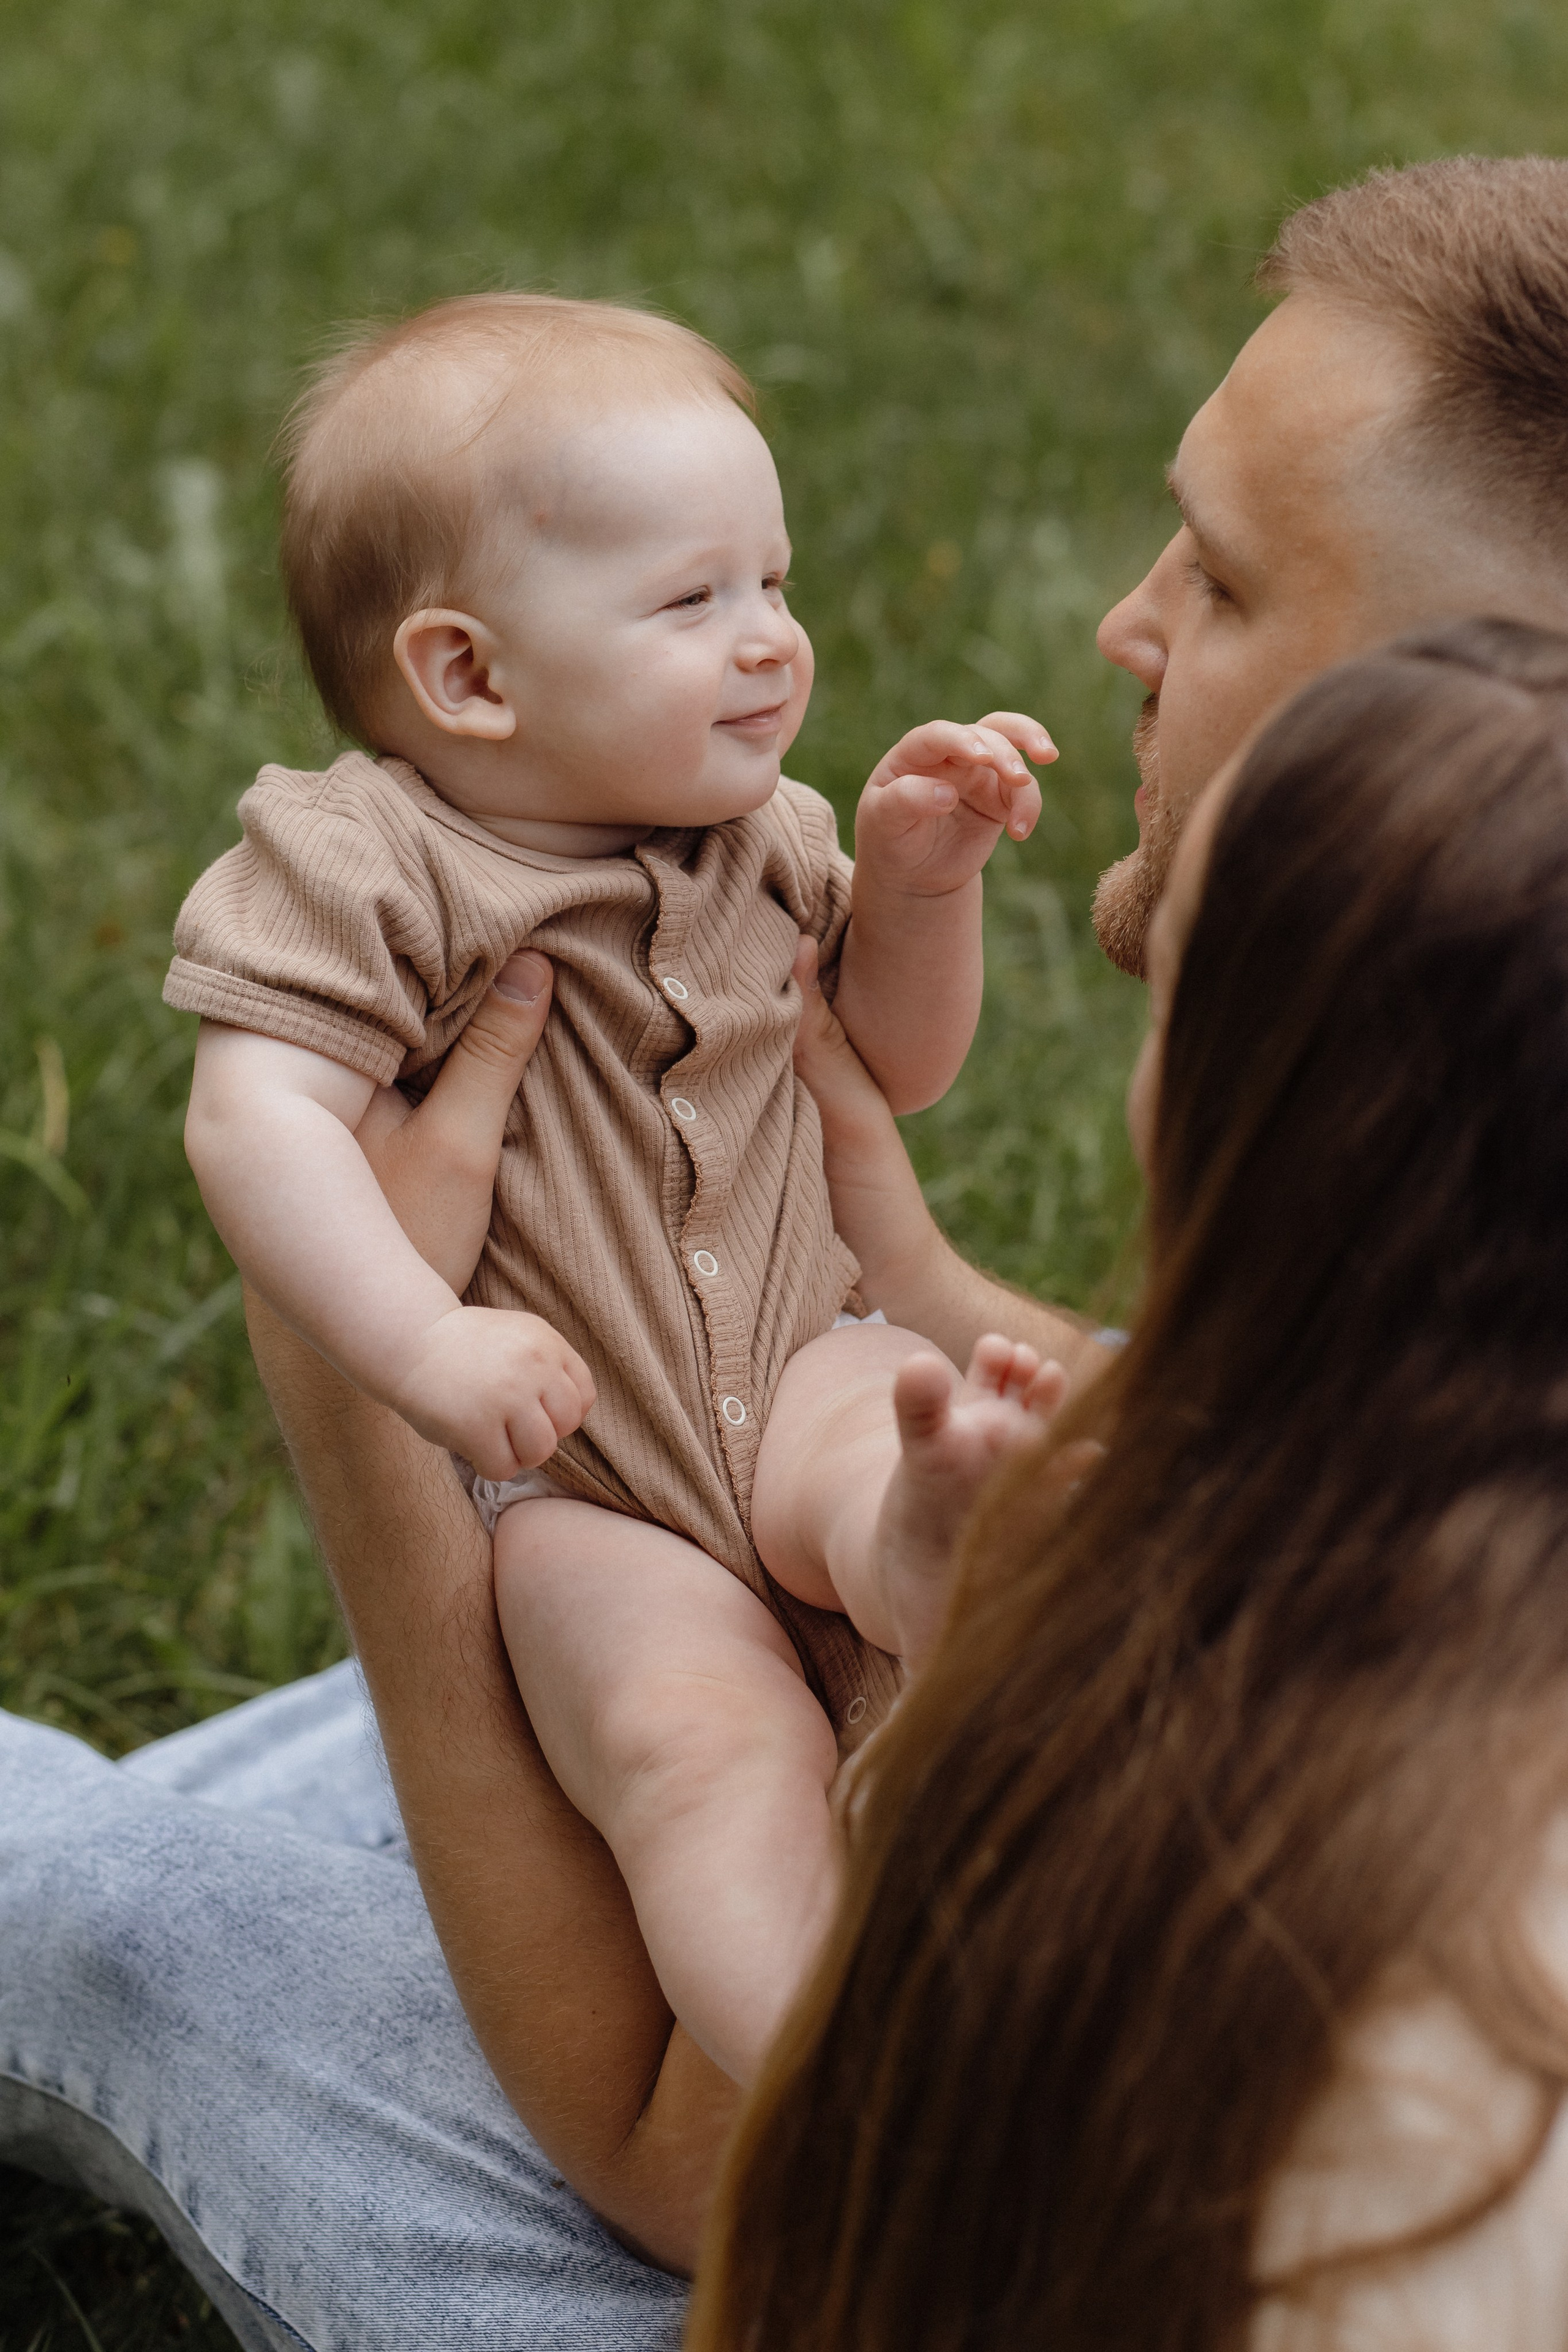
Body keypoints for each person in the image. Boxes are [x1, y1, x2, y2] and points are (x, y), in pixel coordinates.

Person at [6, 153, 1568, 2344]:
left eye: (1217, 578)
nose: (1125, 622)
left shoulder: (1370, 1716)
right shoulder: (1461, 1289)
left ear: (1483, 706)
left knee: (128, 1921)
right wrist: (920, 1293)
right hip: (756, 1521)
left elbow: (702, 2164)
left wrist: (374, 1393)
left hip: (833, 2207)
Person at [169, 287, 1062, 2084]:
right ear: (469, 677)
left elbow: (888, 1064)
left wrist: (918, 891)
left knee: (874, 1444)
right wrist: (423, 1346)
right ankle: (829, 2077)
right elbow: (255, 1118)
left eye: (776, 582)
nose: (772, 645)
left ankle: (927, 1551)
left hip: (805, 1357)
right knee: (689, 1748)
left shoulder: (770, 839)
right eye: (693, 601)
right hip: (576, 1486)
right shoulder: (368, 862)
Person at [691, 614, 1568, 2352]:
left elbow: (811, 2202)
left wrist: (367, 1384)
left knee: (163, 1927)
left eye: (1174, 989)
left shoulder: (1122, 1752)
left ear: (1248, 1112)